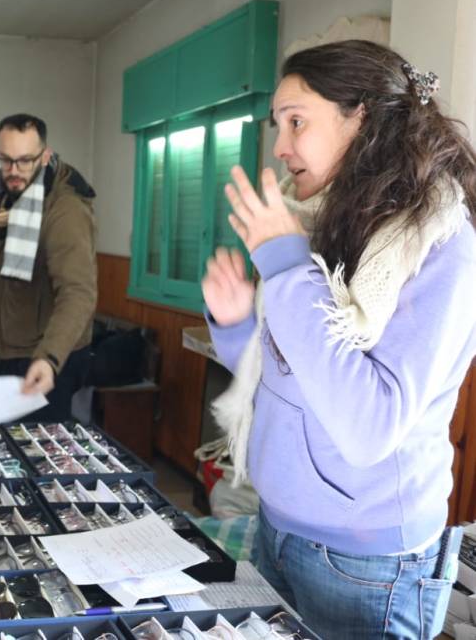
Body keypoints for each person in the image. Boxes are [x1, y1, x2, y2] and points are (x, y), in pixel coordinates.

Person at [202, 40, 476, 639]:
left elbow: (367, 423)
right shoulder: (327, 222)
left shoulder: (442, 244)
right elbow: (290, 376)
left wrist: (284, 268)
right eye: (278, 125)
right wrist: (238, 326)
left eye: (296, 121)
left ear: (364, 117)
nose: (279, 146)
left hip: (367, 562)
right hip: (278, 525)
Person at [0, 114, 97, 421]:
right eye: (5, 160)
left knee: (39, 458)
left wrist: (49, 358)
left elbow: (78, 293)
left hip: (52, 356)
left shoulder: (65, 212)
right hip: (14, 350)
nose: (13, 171)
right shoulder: (8, 197)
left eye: (24, 161)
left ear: (45, 156)